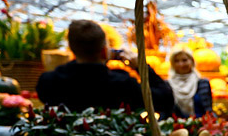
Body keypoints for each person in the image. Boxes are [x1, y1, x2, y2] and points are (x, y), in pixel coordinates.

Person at [36, 20, 174, 116]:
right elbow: (165, 98)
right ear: (104, 51)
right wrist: (141, 67)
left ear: (71, 50)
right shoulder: (123, 84)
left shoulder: (49, 82)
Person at [167, 45, 212, 118]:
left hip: (201, 126)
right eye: (176, 61)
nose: (181, 64)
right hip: (177, 128)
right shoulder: (167, 85)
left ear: (192, 61)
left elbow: (208, 110)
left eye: (184, 60)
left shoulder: (203, 83)